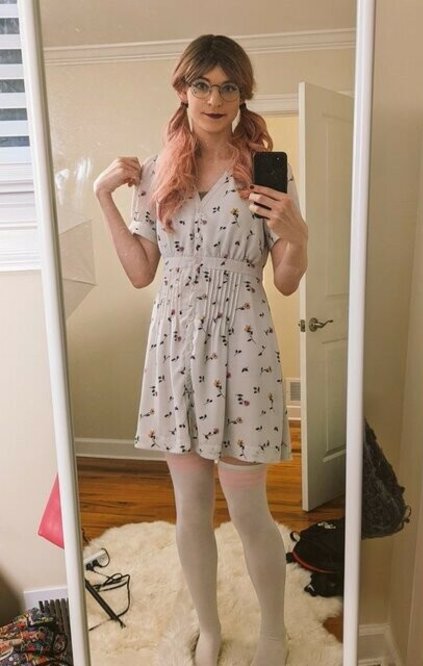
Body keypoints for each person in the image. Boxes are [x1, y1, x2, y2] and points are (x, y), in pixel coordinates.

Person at [93, 34, 308, 666]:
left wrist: (298, 237)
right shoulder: (157, 172)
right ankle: (209, 628)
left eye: (229, 87)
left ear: (243, 96)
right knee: (189, 511)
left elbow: (286, 280)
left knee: (249, 511)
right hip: (174, 348)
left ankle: (274, 631)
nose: (215, 99)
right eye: (203, 85)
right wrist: (103, 198)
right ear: (183, 90)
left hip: (243, 344)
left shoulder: (266, 169)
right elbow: (141, 272)